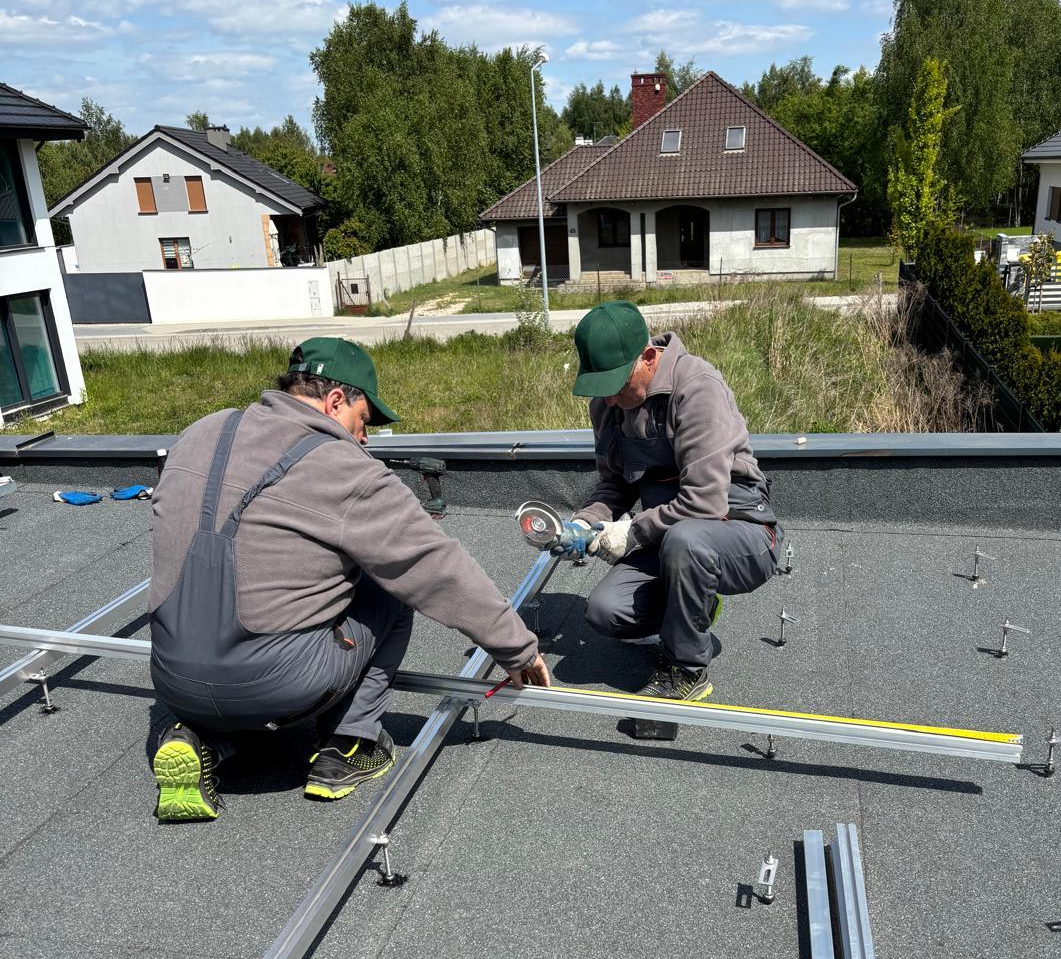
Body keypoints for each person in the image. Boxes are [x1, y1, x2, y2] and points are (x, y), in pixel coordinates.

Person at [148, 337, 549, 821]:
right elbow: (437, 567)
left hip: (172, 676)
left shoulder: (201, 432)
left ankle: (198, 734)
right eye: (363, 422)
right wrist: (515, 648)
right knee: (390, 587)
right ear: (335, 401)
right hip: (276, 685)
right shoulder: (345, 469)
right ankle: (349, 744)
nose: (364, 439)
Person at [563, 301, 779, 739]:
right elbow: (615, 485)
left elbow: (703, 502)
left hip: (741, 529)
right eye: (600, 388)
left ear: (648, 356)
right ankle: (693, 601)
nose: (609, 399)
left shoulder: (698, 387)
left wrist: (631, 532)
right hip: (672, 534)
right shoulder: (608, 406)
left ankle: (687, 669)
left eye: (617, 385)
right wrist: (586, 522)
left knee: (687, 542)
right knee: (605, 612)